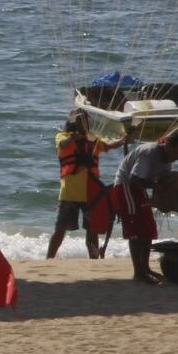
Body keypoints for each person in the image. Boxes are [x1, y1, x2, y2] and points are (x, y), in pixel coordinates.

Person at [113, 133, 178, 284]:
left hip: (138, 189)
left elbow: (160, 188)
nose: (177, 157)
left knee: (148, 228)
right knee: (136, 230)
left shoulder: (167, 162)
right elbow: (134, 180)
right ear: (167, 146)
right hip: (125, 187)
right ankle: (138, 273)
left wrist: (176, 201)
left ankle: (145, 268)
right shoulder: (149, 152)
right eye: (176, 152)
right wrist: (157, 186)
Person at [49, 109, 124, 260]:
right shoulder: (62, 136)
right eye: (78, 120)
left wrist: (124, 139)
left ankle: (94, 259)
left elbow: (109, 146)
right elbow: (63, 145)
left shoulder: (93, 140)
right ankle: (49, 258)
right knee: (61, 229)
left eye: (85, 121)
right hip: (70, 193)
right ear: (72, 122)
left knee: (92, 230)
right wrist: (74, 137)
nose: (83, 123)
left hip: (91, 194)